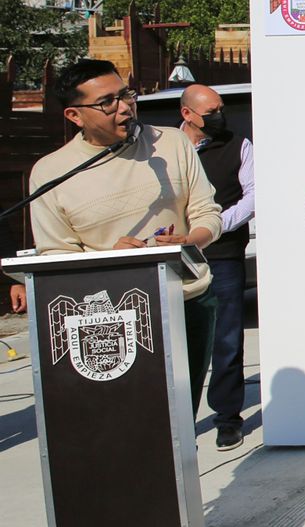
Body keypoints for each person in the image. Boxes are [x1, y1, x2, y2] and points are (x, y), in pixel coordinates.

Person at [30, 59, 220, 414]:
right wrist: (109, 263)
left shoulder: (173, 144)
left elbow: (208, 212)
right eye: (107, 102)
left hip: (188, 301)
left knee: (179, 424)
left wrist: (193, 238)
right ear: (74, 115)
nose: (124, 107)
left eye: (126, 95)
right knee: (131, 427)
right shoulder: (50, 172)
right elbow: (54, 254)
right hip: (108, 320)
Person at [179, 84, 254, 450]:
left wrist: (214, 227)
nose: (219, 116)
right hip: (174, 258)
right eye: (210, 111)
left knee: (226, 338)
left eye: (220, 108)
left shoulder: (238, 145)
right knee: (175, 343)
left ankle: (227, 417)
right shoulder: (164, 149)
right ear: (188, 115)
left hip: (222, 254)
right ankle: (178, 420)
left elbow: (252, 195)